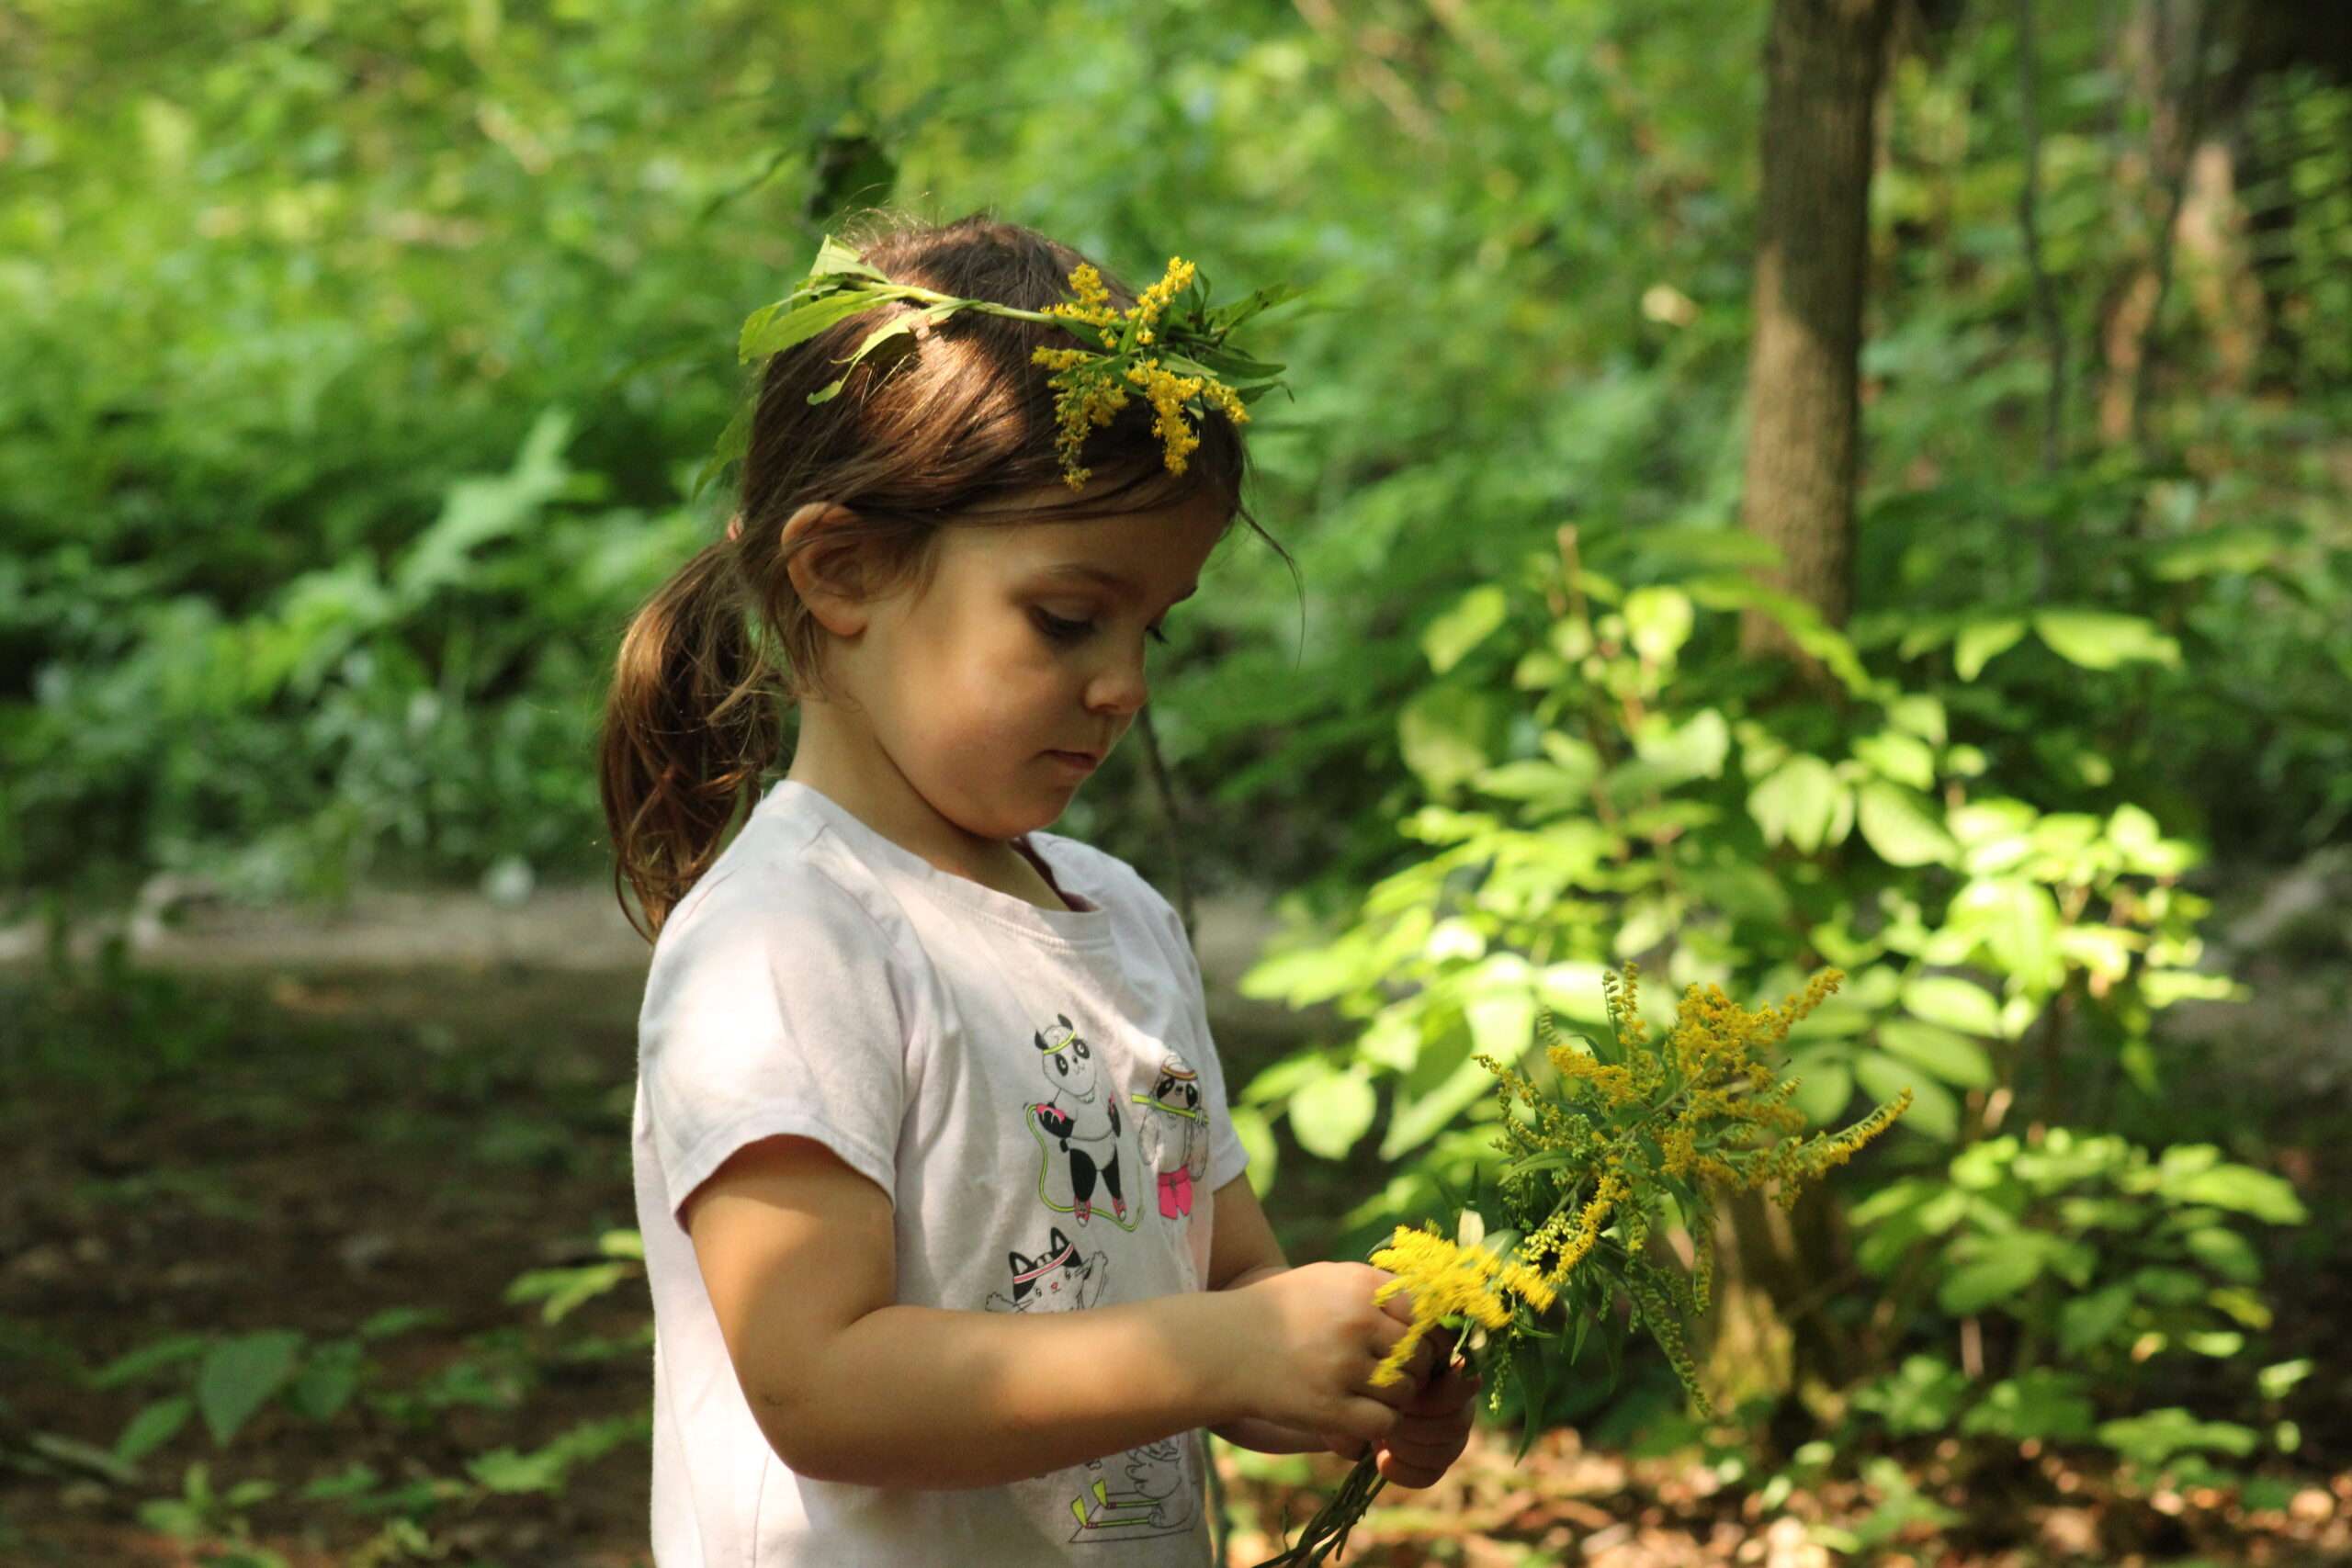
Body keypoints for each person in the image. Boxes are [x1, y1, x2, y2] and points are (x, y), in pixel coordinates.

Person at [598, 209, 1478, 1566]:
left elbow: (1228, 1282)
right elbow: (817, 1383)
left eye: (1152, 628)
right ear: (842, 570)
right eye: (1068, 620)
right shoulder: (790, 940)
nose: (1124, 685)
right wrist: (1220, 1349)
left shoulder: (1124, 923)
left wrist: (1343, 1367)